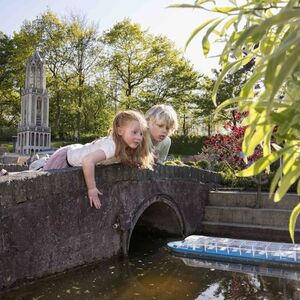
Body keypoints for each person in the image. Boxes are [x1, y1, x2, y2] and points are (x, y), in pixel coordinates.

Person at [42, 110, 153, 209]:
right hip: (66, 159)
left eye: (141, 133)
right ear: (120, 131)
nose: (139, 137)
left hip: (78, 150)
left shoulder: (125, 144)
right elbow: (87, 161)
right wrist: (92, 188)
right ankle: (41, 163)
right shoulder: (112, 146)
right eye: (134, 132)